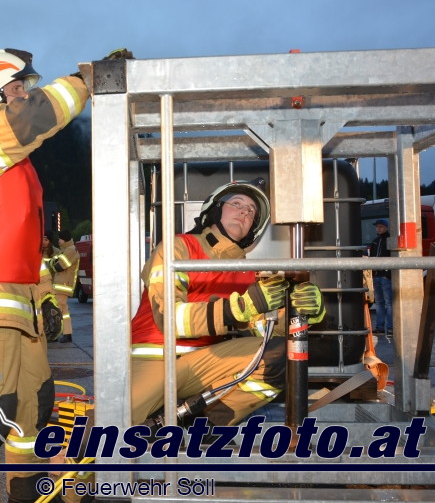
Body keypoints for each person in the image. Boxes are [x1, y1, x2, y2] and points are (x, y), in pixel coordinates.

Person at [0, 48, 89, 502]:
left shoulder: (11, 159)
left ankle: (24, 495)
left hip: (18, 304)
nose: (24, 94)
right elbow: (31, 119)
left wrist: (45, 298)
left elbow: (20, 242)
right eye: (18, 86)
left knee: (32, 411)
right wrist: (86, 81)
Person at [129, 180, 326, 428]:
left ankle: (208, 425)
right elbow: (169, 319)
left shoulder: (244, 272)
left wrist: (301, 315)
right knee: (107, 430)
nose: (244, 212)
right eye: (236, 204)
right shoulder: (178, 248)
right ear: (215, 210)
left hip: (202, 363)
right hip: (154, 360)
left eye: (251, 211)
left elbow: (261, 331)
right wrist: (240, 307)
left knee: (280, 352)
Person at [51, 229, 79, 343]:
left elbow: (60, 266)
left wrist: (52, 263)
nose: (58, 241)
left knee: (61, 310)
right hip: (62, 284)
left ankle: (63, 334)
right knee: (62, 310)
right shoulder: (67, 250)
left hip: (63, 285)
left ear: (64, 239)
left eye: (60, 238)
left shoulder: (70, 250)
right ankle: (65, 333)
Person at [367, 218, 393, 335]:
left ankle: (390, 327)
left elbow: (393, 258)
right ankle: (380, 327)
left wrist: (388, 274)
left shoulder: (390, 240)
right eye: (377, 227)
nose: (378, 228)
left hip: (385, 276)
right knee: (380, 302)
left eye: (381, 227)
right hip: (376, 276)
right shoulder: (375, 241)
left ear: (386, 227)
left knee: (388, 303)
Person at [38, 234, 63, 342]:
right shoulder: (38, 252)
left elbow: (60, 266)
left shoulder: (56, 251)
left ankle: (54, 331)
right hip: (45, 284)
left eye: (46, 239)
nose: (44, 241)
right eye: (42, 239)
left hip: (51, 283)